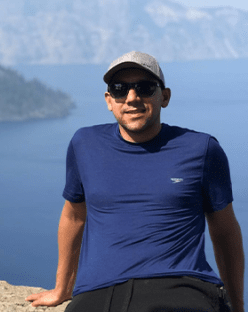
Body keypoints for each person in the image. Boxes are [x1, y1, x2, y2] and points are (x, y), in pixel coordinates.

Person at [25, 51, 244, 312]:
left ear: (165, 96)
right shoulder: (85, 144)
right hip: (100, 292)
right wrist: (62, 288)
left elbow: (225, 232)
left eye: (144, 88)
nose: (132, 98)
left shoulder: (202, 149)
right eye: (120, 89)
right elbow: (74, 217)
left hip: (183, 288)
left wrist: (237, 306)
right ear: (109, 100)